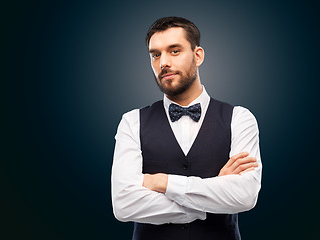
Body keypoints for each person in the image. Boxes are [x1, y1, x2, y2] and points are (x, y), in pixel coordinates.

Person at [111, 17, 262, 240]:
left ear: (198, 55)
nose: (163, 62)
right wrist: (212, 194)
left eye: (174, 51)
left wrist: (162, 182)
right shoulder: (131, 122)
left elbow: (245, 196)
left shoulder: (240, 118)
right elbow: (123, 205)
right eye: (155, 55)